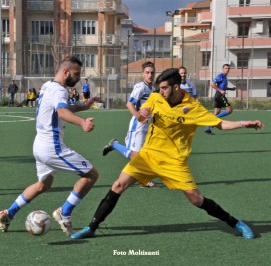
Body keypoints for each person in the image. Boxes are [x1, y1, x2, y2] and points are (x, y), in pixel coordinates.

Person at [71, 68, 264, 240]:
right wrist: (142, 114)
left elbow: (219, 123)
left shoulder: (193, 108)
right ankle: (91, 227)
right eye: (159, 88)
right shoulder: (156, 98)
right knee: (118, 185)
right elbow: (141, 116)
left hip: (174, 161)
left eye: (164, 88)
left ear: (177, 86)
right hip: (148, 156)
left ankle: (235, 222)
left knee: (196, 199)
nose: (160, 92)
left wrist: (243, 123)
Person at [0, 56, 100, 236]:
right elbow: (61, 111)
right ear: (66, 72)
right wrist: (82, 122)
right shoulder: (60, 90)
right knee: (91, 175)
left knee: (43, 185)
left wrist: (84, 105)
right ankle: (64, 212)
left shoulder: (47, 86)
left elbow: (63, 107)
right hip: (52, 147)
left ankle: (9, 212)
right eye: (76, 74)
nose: (77, 78)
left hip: (39, 145)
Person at [102, 61, 157, 188]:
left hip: (147, 127)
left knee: (143, 155)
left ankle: (114, 145)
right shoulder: (140, 87)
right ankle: (143, 180)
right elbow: (129, 104)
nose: (150, 75)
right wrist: (139, 117)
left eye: (152, 73)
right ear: (143, 74)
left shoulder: (153, 90)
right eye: (147, 72)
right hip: (137, 127)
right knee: (134, 156)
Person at [205, 64, 234, 134]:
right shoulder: (220, 76)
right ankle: (215, 120)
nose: (227, 69)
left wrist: (230, 89)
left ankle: (207, 128)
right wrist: (221, 91)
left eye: (228, 68)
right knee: (229, 110)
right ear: (223, 69)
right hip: (220, 95)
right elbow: (212, 84)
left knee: (216, 112)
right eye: (226, 68)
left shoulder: (224, 77)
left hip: (217, 96)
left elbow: (222, 87)